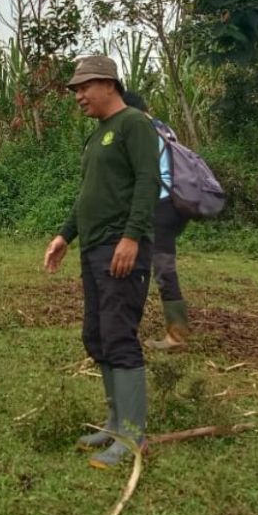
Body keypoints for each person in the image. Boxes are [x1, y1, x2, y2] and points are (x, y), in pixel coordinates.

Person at [44, 56, 160, 469]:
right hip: (94, 248)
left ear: (108, 84)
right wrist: (64, 235)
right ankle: (114, 423)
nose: (78, 96)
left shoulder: (135, 124)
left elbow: (150, 180)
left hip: (120, 247)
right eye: (75, 90)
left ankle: (132, 436)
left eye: (83, 87)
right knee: (96, 335)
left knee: (119, 333)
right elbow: (88, 193)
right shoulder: (97, 137)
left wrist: (131, 237)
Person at [121, 91, 191, 351]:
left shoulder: (142, 129)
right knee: (149, 262)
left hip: (159, 204)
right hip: (176, 203)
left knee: (162, 267)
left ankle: (177, 335)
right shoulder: (163, 127)